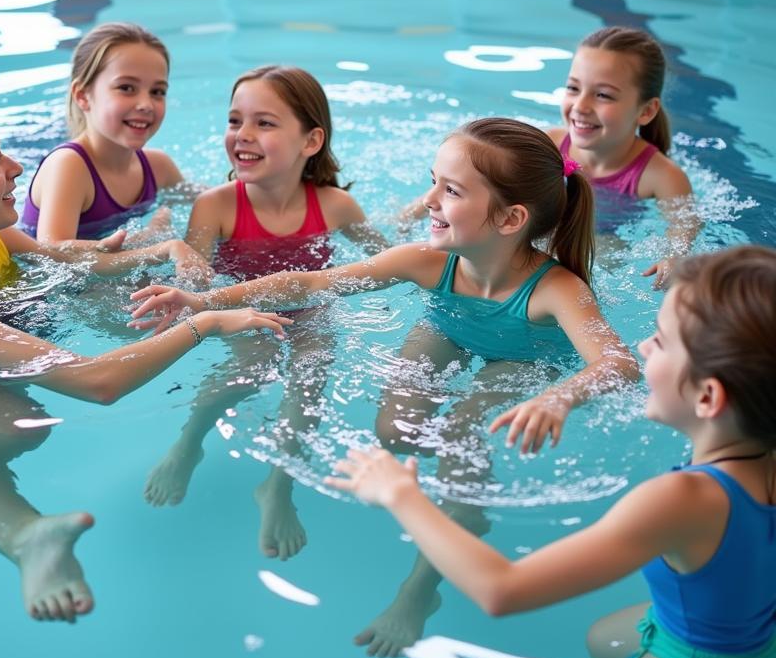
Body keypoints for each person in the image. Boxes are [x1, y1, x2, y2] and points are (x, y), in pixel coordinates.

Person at [0, 86, 289, 623]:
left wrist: (163, 250)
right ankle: (14, 525)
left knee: (21, 406)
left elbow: (66, 258)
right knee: (19, 421)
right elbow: (94, 383)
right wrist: (204, 323)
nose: (15, 166)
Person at [327, 245, 776, 658]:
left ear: (708, 397)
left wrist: (402, 494)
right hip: (751, 645)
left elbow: (502, 590)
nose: (643, 345)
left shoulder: (681, 499)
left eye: (661, 342)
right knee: (603, 638)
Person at [132, 117, 639, 454]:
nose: (429, 200)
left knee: (465, 430)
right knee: (394, 434)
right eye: (433, 181)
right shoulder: (424, 261)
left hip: (524, 357)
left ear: (510, 219)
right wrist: (203, 300)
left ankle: (438, 558)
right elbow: (309, 283)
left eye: (452, 190)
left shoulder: (557, 289)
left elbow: (619, 363)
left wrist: (560, 398)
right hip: (448, 328)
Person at [145, 65, 384, 560]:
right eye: (235, 121)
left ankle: (278, 483)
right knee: (252, 367)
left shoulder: (337, 206)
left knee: (312, 369)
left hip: (310, 306)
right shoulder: (216, 206)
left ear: (310, 140)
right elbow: (194, 278)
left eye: (264, 123)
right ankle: (190, 439)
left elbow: (385, 262)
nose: (243, 136)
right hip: (242, 307)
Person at [548, 26, 695, 288]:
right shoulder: (550, 145)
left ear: (647, 110)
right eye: (573, 88)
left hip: (608, 243)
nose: (580, 106)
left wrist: (674, 256)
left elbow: (684, 223)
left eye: (603, 94)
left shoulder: (660, 175)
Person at [20, 22, 189, 243]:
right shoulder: (69, 166)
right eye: (126, 88)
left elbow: (214, 200)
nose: (146, 104)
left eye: (157, 91)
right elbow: (52, 253)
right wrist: (145, 242)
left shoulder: (159, 167)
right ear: (82, 95)